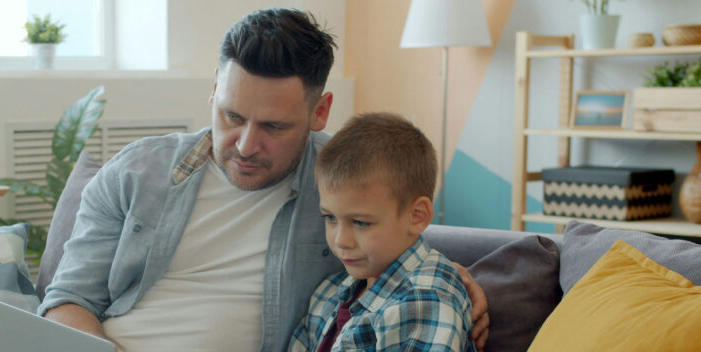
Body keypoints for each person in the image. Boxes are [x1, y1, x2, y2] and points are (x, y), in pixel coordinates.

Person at [39, 8, 489, 351]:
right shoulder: (136, 172)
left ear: (320, 111)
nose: (246, 144)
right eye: (232, 116)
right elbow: (65, 300)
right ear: (215, 87)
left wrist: (453, 275)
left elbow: (394, 237)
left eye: (274, 127)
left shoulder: (340, 183)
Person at [290, 113, 477, 352]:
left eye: (360, 223)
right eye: (330, 218)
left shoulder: (426, 297)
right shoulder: (328, 293)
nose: (340, 241)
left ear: (417, 216)